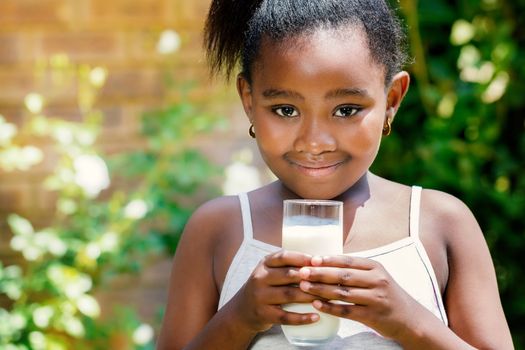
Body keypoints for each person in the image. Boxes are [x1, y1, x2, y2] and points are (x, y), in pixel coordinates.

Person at [156, 0, 513, 349]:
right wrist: (240, 317)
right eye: (285, 109)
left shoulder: (439, 223)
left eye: (346, 110)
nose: (314, 142)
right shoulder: (219, 229)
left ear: (391, 100)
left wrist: (408, 321)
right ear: (249, 100)